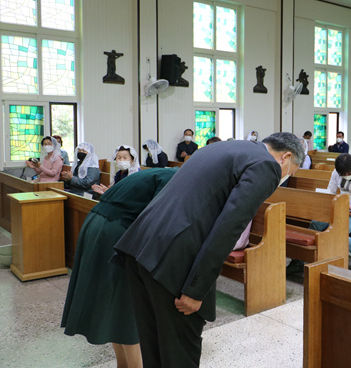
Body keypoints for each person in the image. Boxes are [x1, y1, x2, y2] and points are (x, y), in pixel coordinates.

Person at [113, 133, 304, 367]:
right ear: (286, 157)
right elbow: (229, 228)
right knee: (179, 354)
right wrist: (196, 290)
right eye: (291, 172)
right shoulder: (266, 165)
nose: (285, 177)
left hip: (140, 245)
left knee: (153, 347)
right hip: (174, 260)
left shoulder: (220, 149)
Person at [62, 168, 178, 368]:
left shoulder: (162, 173)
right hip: (116, 230)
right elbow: (159, 222)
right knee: (129, 303)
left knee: (115, 302)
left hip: (98, 223)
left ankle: (123, 363)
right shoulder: (177, 180)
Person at [291, 154, 351, 273]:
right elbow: (331, 191)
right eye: (343, 174)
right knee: (316, 224)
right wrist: (333, 205)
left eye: (349, 173)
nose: (346, 176)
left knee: (338, 231)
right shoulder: (336, 172)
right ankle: (299, 260)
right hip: (339, 207)